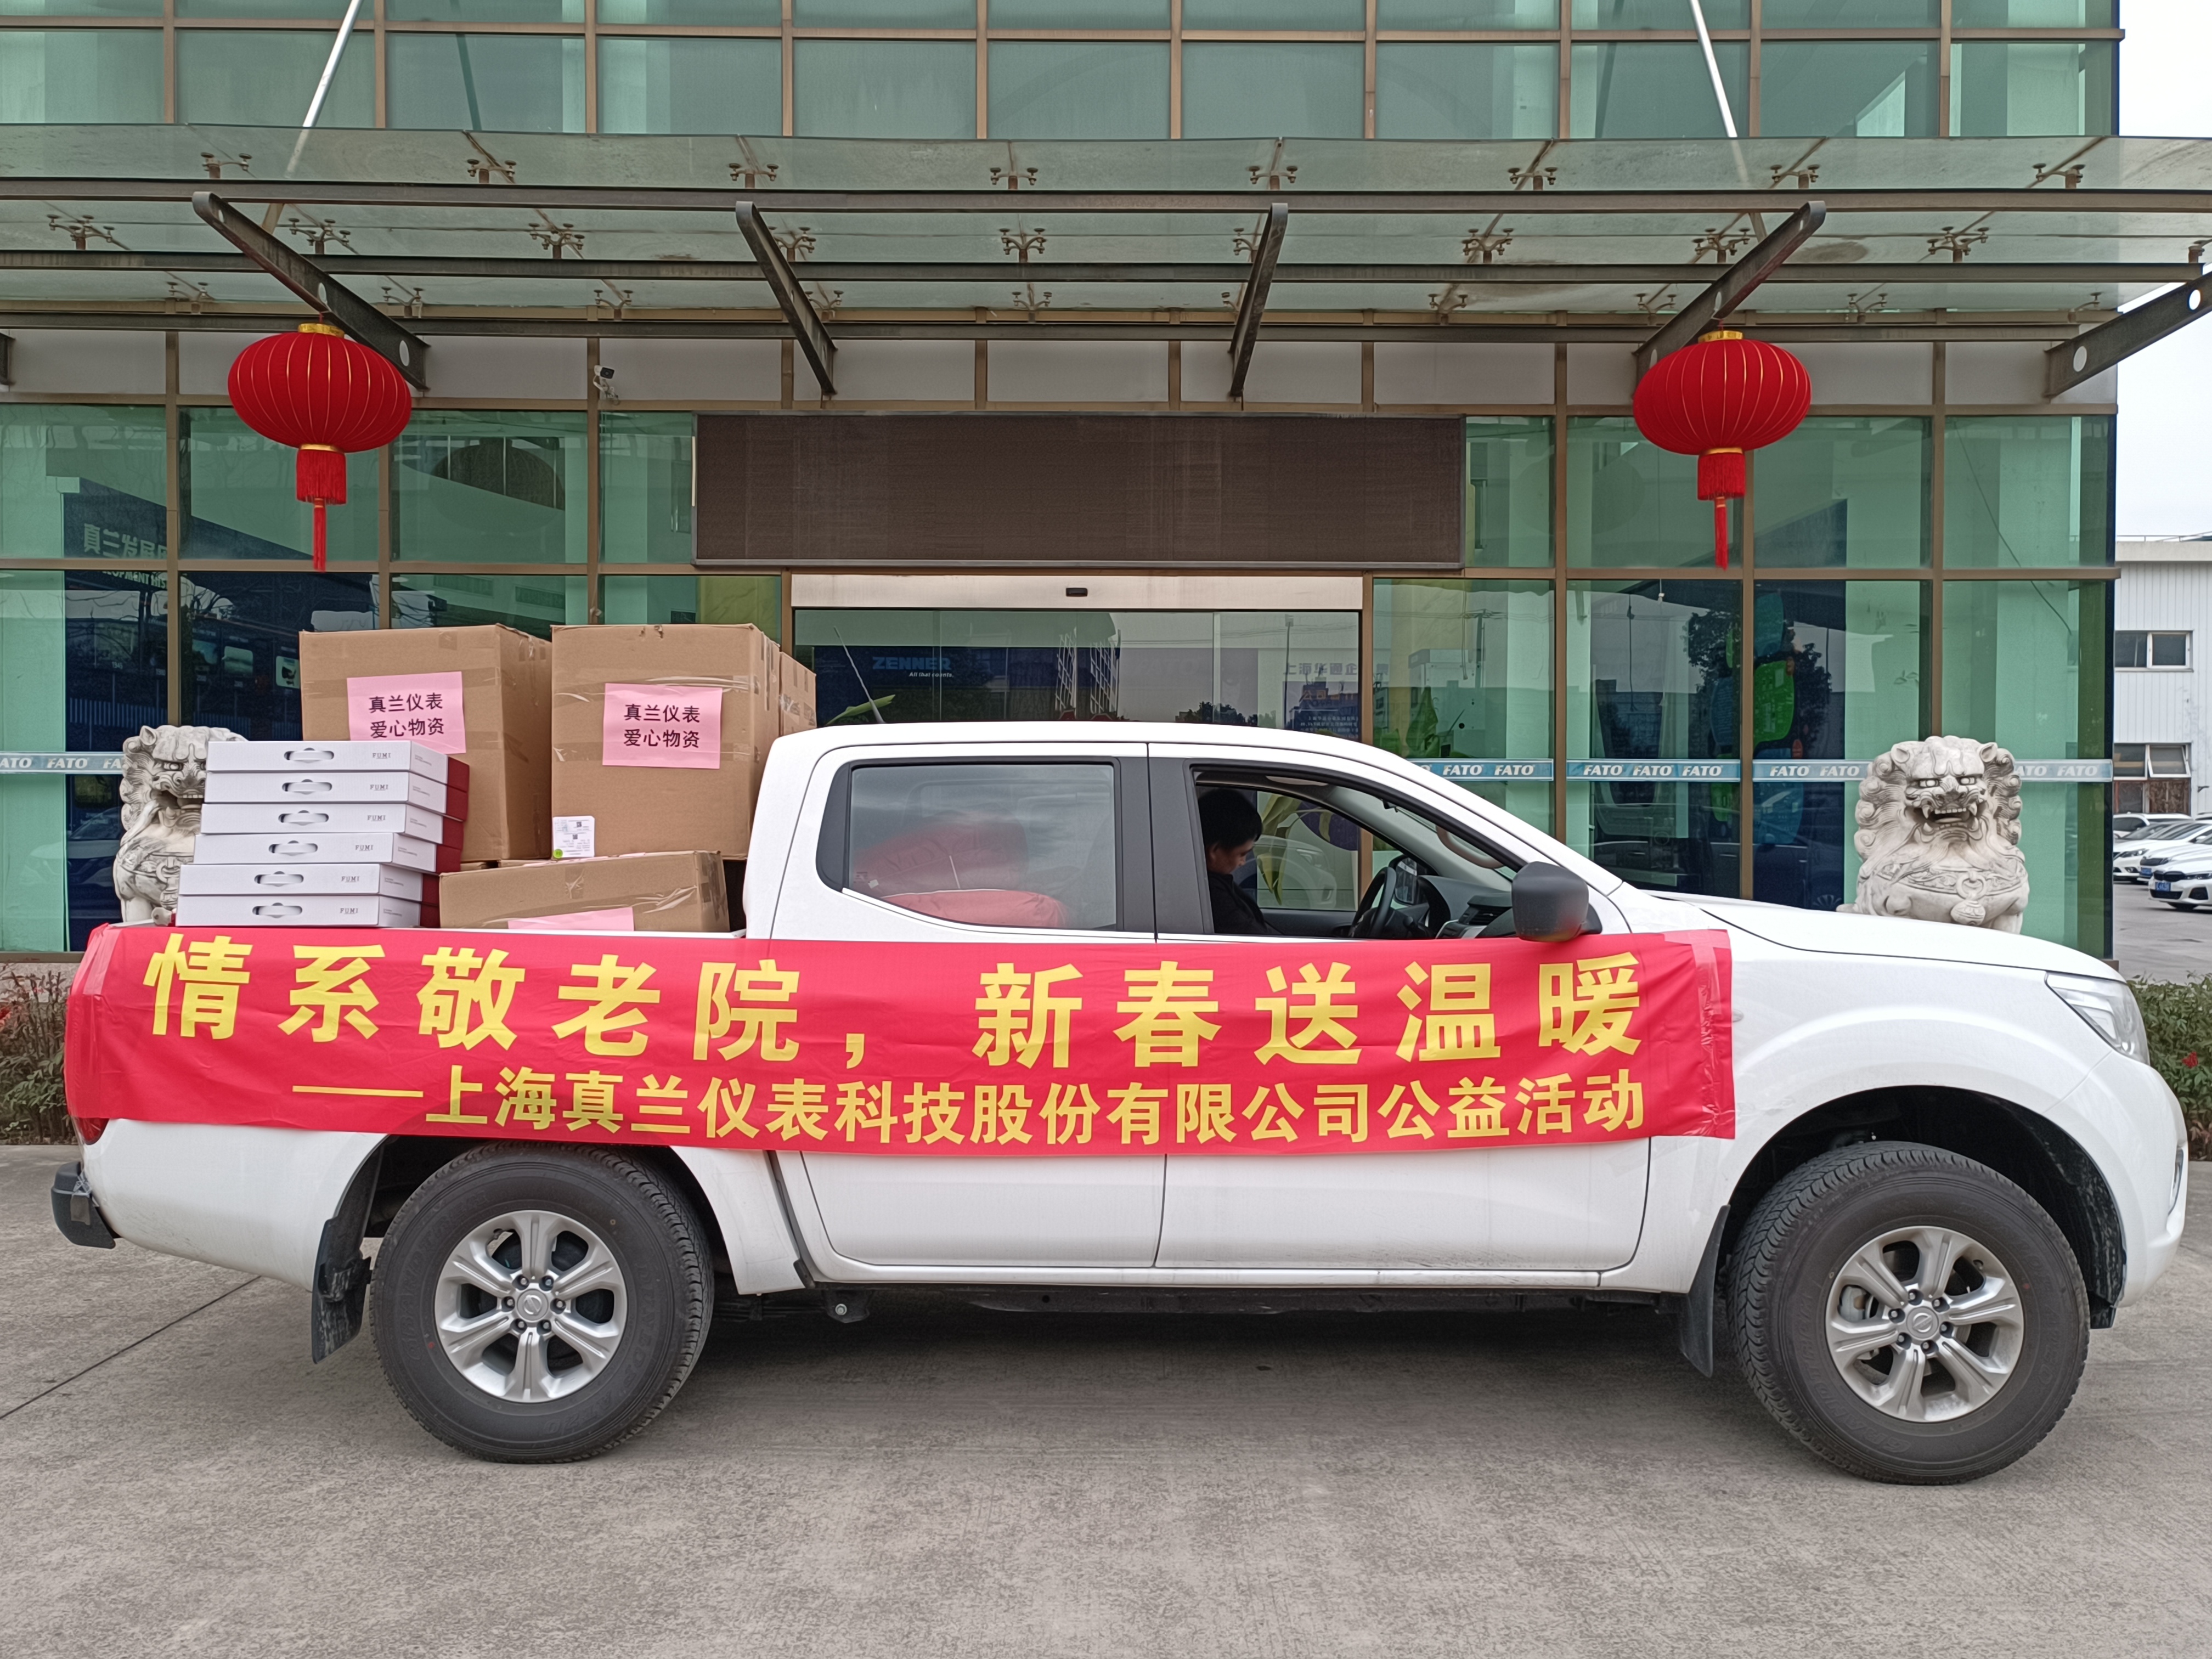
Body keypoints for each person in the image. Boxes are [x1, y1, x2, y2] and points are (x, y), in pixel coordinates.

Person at [1198, 788, 1274, 935]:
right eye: (1241, 854)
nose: (1243, 862)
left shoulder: (1211, 884)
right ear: (1214, 851)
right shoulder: (1213, 896)